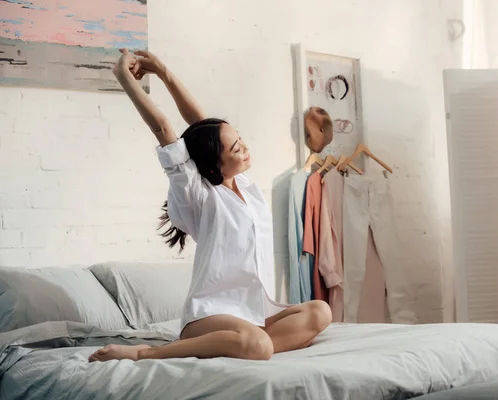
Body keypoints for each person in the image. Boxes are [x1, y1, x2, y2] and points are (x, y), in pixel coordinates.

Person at [88, 49, 332, 363]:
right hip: (210, 316)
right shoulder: (198, 194)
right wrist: (124, 77)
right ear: (215, 165)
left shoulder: (243, 183)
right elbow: (163, 128)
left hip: (253, 312)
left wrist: (164, 72)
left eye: (240, 139)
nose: (245, 148)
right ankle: (148, 352)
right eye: (235, 148)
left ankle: (242, 343)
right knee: (260, 346)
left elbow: (203, 124)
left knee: (319, 311)